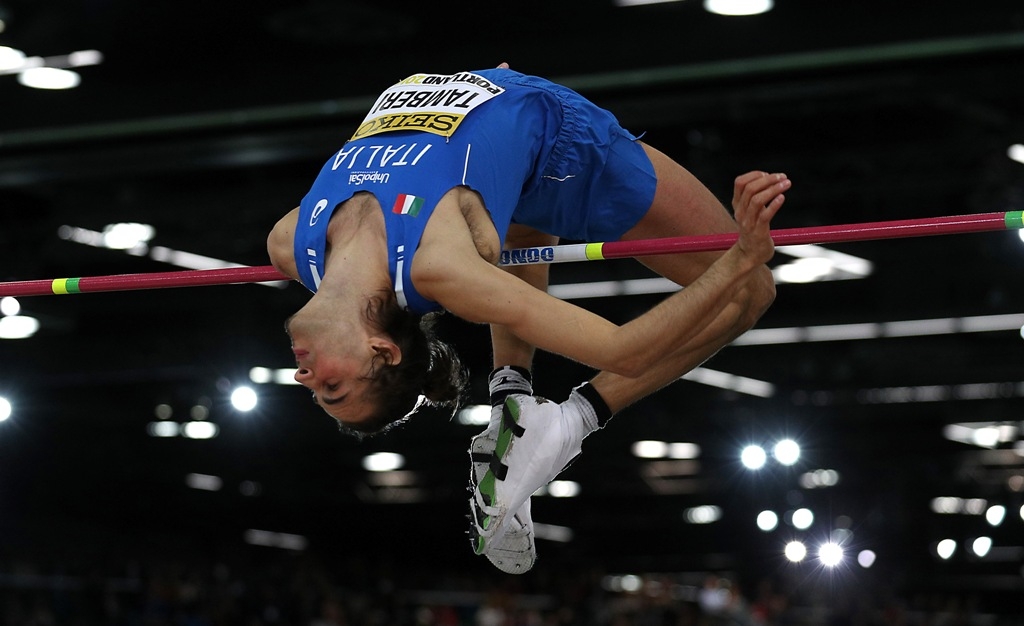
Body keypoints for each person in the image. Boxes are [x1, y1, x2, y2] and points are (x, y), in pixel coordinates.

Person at [266, 64, 786, 573]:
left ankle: (511, 406)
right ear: (382, 351)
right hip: (564, 147)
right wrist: (740, 257)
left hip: (487, 101)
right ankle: (569, 422)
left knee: (505, 227)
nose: (303, 378)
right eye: (331, 390)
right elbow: (625, 351)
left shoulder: (292, 245)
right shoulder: (439, 268)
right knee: (750, 290)